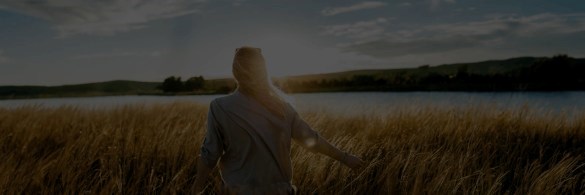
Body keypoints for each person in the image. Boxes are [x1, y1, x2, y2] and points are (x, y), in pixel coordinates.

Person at [193, 46, 365, 194]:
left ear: (235, 72)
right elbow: (312, 140)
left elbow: (209, 155)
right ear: (264, 71)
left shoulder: (220, 107)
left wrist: (196, 189)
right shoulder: (283, 108)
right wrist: (346, 158)